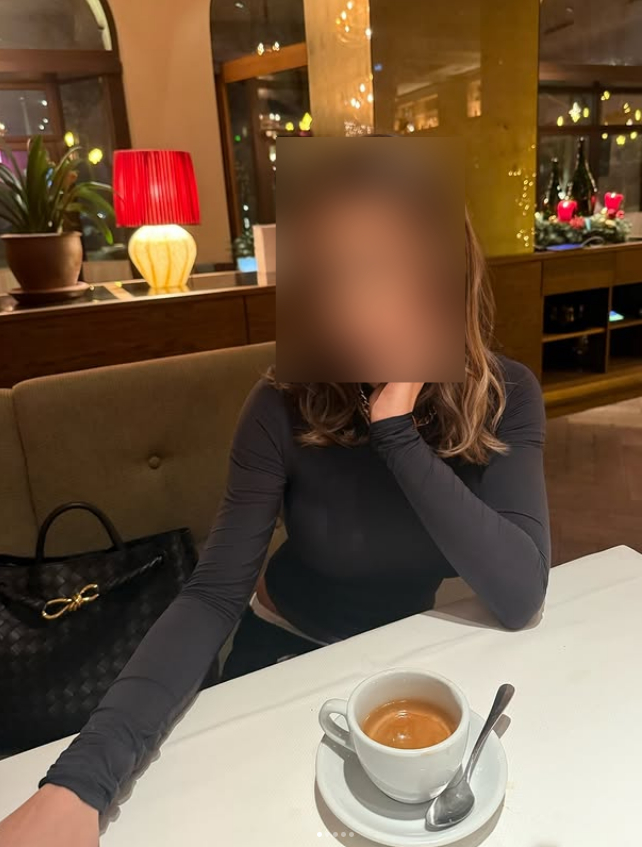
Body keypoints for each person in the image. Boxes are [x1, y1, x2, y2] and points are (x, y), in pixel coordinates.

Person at [0, 154, 550, 847]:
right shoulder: (281, 403)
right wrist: (80, 782)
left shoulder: (506, 395)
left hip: (406, 653)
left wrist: (396, 432)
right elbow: (211, 596)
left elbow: (520, 592)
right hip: (286, 648)